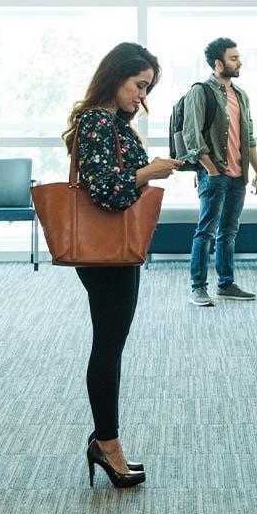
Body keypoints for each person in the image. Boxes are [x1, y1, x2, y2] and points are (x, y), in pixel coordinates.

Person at [62, 42, 182, 488]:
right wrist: (147, 173)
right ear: (116, 77)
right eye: (139, 85)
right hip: (105, 253)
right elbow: (106, 190)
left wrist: (149, 168)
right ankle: (107, 444)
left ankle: (107, 440)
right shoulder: (97, 121)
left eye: (147, 87)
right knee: (108, 347)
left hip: (114, 251)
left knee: (111, 344)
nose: (142, 96)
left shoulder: (110, 123)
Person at [181, 37, 257, 307]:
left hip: (238, 176)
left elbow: (248, 135)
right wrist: (210, 169)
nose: (239, 62)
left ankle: (226, 283)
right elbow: (192, 136)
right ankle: (198, 287)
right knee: (205, 231)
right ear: (218, 64)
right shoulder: (201, 91)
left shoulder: (241, 95)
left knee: (228, 231)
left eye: (238, 57)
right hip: (214, 174)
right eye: (233, 58)